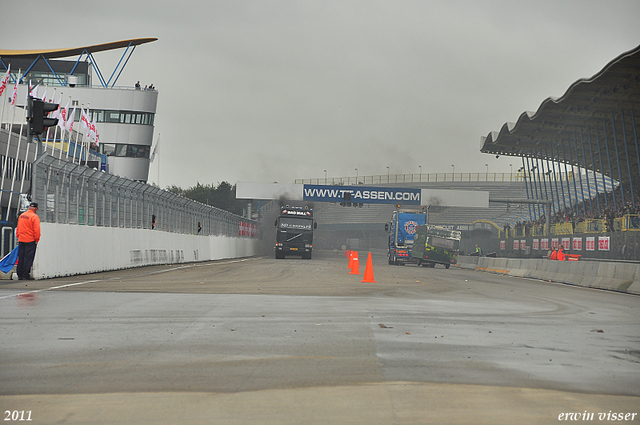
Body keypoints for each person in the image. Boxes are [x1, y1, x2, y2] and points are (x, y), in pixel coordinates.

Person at [16, 202, 40, 280]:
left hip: (21, 239)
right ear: (36, 209)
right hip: (30, 240)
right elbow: (36, 230)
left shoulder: (21, 216)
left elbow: (18, 227)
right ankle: (25, 275)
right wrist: (37, 239)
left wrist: (18, 236)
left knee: (21, 257)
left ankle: (20, 274)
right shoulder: (34, 217)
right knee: (28, 258)